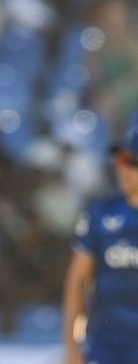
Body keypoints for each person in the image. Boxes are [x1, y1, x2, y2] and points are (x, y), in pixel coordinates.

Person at [63, 111, 138, 364]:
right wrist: (73, 347)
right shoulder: (101, 212)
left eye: (133, 162)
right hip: (107, 347)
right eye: (121, 161)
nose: (124, 170)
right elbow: (78, 280)